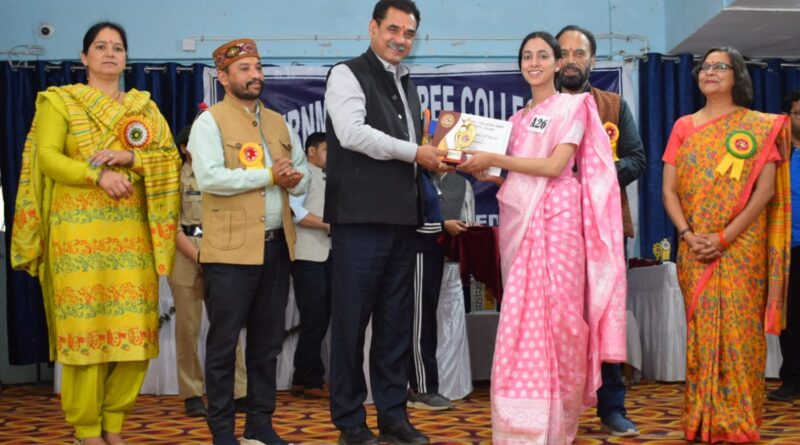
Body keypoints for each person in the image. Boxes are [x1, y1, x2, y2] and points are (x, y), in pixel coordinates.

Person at [10, 22, 181, 445]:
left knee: (134, 338)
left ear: (126, 59)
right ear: (84, 58)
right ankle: (86, 430)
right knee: (85, 337)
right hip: (76, 239)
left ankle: (114, 424)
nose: (110, 53)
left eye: (117, 47)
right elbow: (48, 158)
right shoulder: (60, 102)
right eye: (100, 47)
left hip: (131, 241)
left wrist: (130, 158)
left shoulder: (144, 109)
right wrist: (97, 175)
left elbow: (169, 159)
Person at [458, 31, 627, 444]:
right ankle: (524, 423)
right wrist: (492, 174)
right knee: (521, 322)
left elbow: (553, 167)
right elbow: (520, 176)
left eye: (542, 56)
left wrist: (495, 159)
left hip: (561, 220)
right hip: (522, 222)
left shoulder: (575, 105)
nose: (534, 63)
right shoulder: (516, 120)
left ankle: (559, 422)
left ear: (557, 63)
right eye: (527, 56)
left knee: (562, 319)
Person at [324, 0, 447, 443]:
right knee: (351, 326)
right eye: (393, 29)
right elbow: (351, 133)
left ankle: (393, 417)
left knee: (395, 325)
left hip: (402, 222)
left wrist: (435, 161)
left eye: (409, 33)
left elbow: (411, 153)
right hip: (359, 221)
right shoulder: (346, 73)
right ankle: (350, 422)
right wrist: (416, 153)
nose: (400, 39)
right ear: (373, 28)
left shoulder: (407, 84)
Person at [661, 47, 790, 443]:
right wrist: (688, 234)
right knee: (701, 333)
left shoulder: (758, 126)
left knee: (739, 331)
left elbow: (765, 191)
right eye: (705, 66)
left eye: (720, 66)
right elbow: (669, 190)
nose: (710, 72)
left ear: (738, 77)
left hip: (741, 247)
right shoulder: (683, 126)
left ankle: (738, 421)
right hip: (694, 248)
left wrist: (724, 237)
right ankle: (702, 418)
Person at [187, 38, 309, 445]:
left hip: (276, 247)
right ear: (223, 77)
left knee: (267, 345)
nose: (255, 75)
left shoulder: (278, 121)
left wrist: (294, 179)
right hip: (229, 251)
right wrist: (270, 176)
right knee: (223, 345)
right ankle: (223, 431)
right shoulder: (210, 122)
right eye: (244, 69)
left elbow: (302, 176)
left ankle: (260, 424)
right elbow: (210, 178)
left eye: (258, 68)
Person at [556, 24, 645, 437]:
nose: (571, 60)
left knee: (606, 318)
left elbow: (636, 159)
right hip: (555, 234)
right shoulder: (540, 107)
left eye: (580, 53)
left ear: (592, 60)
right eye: (564, 52)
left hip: (604, 231)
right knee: (561, 321)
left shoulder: (613, 105)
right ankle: (561, 409)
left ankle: (612, 407)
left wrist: (594, 177)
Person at [168, 124, 248, 417]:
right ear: (184, 148)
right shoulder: (174, 178)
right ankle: (192, 393)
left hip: (221, 252)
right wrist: (198, 255)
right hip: (185, 253)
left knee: (228, 324)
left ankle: (239, 391)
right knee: (187, 328)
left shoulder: (221, 175)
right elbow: (170, 226)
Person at [407, 170, 469, 411]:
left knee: (425, 322)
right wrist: (443, 225)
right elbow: (412, 221)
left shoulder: (427, 178)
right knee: (420, 323)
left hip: (431, 253)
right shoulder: (412, 174)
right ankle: (422, 388)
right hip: (419, 252)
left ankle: (423, 385)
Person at [289, 131, 332, 399]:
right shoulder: (301, 174)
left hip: (329, 254)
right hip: (307, 255)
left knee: (322, 318)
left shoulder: (332, 176)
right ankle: (310, 378)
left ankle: (303, 377)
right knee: (314, 317)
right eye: (327, 150)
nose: (332, 155)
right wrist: (328, 225)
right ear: (311, 151)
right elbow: (296, 212)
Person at [768, 90, 800, 402]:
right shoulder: (777, 153)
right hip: (788, 246)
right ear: (787, 117)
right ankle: (791, 380)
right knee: (790, 318)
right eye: (799, 113)